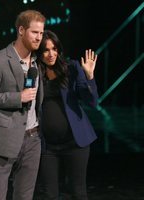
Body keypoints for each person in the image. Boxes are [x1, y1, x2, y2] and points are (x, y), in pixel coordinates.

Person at [0, 10, 46, 200]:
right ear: (21, 30)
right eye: (34, 32)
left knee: (24, 197)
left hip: (32, 139)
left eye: (41, 33)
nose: (39, 37)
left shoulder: (36, 63)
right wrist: (18, 97)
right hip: (3, 139)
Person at [36, 30, 98, 200]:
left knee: (78, 193)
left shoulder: (71, 68)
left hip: (75, 143)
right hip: (47, 146)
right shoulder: (34, 72)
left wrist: (89, 76)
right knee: (49, 195)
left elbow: (91, 102)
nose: (51, 54)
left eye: (54, 49)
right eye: (46, 50)